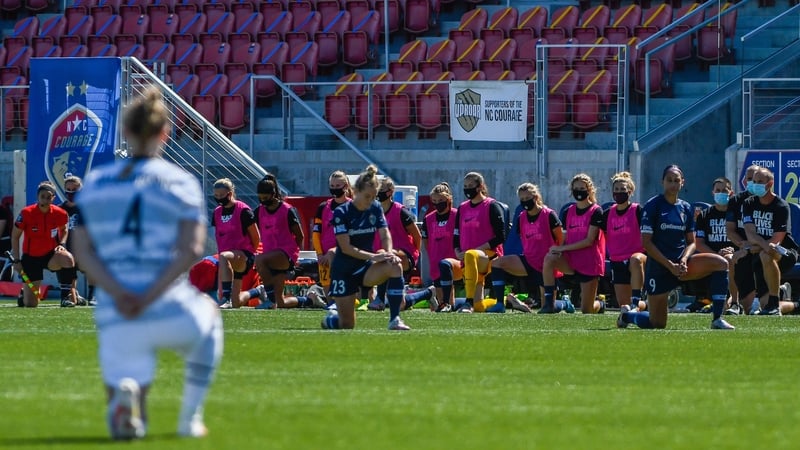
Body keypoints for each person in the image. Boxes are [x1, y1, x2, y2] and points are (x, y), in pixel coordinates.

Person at [70, 88, 223, 439]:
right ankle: (189, 419)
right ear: (164, 133)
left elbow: (82, 250)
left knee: (127, 364)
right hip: (165, 301)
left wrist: (119, 292)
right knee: (211, 318)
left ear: (125, 131)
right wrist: (150, 292)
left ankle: (128, 399)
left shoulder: (94, 183)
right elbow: (192, 249)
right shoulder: (180, 182)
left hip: (115, 306)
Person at [617, 165, 734, 330]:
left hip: (681, 265)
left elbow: (692, 242)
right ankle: (627, 315)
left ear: (682, 183)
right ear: (662, 182)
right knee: (657, 324)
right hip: (660, 267)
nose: (673, 184)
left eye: (676, 180)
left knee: (721, 263)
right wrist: (669, 265)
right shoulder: (653, 206)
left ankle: (717, 318)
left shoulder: (686, 208)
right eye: (669, 180)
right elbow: (646, 243)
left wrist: (684, 259)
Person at [321, 164, 410, 330]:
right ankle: (331, 321)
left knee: (395, 265)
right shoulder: (341, 212)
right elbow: (346, 248)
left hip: (365, 269)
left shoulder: (375, 208)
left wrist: (389, 252)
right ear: (355, 191)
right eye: (367, 196)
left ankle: (395, 319)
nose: (371, 200)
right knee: (347, 325)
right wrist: (373, 256)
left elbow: (385, 234)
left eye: (374, 196)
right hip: (344, 271)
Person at [488, 183, 562, 313]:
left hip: (546, 264)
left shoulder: (549, 214)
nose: (525, 201)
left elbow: (560, 239)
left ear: (535, 197)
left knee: (548, 307)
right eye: (522, 199)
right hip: (528, 260)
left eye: (528, 198)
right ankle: (500, 303)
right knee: (497, 263)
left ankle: (564, 304)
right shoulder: (522, 217)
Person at [254, 174, 324, 309]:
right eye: (260, 198)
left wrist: (295, 256)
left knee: (259, 260)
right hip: (270, 256)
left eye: (265, 198)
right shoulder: (259, 211)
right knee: (280, 303)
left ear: (273, 194)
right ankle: (310, 300)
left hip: (285, 254)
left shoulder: (287, 210)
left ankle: (270, 297)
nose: (262, 201)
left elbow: (300, 235)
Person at [541, 173, 606, 314]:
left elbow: (589, 241)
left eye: (582, 188)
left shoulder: (596, 211)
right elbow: (565, 234)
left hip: (589, 262)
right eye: (576, 188)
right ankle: (549, 303)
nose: (579, 191)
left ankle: (600, 304)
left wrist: (563, 248)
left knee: (586, 310)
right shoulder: (569, 210)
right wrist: (556, 247)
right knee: (549, 258)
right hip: (571, 261)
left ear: (589, 190)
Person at [369, 176, 434, 311]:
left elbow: (417, 235)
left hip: (403, 255)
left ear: (390, 192)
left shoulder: (400, 211)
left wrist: (414, 256)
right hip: (384, 258)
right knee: (400, 305)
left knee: (384, 254)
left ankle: (379, 298)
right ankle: (429, 293)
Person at [741, 167, 800, 315]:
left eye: (760, 181)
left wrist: (757, 246)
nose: (755, 184)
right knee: (763, 304)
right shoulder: (748, 203)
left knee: (767, 254)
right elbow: (750, 234)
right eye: (754, 181)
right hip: (762, 253)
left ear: (770, 183)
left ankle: (774, 303)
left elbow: (776, 240)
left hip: (784, 253)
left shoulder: (781, 206)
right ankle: (792, 302)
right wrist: (759, 245)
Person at [9, 181, 78, 307]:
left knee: (67, 258)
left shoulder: (60, 213)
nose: (45, 200)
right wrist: (17, 260)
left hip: (50, 255)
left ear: (53, 198)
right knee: (30, 304)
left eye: (48, 197)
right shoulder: (26, 213)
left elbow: (64, 229)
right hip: (31, 258)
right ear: (37, 197)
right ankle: (25, 293)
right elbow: (15, 236)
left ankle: (65, 297)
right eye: (42, 196)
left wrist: (61, 243)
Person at [451, 171, 506, 313]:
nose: (467, 188)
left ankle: (467, 302)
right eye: (465, 186)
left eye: (471, 185)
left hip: (488, 256)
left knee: (470, 254)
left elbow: (501, 236)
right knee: (479, 307)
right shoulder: (462, 208)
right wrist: (457, 251)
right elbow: (456, 234)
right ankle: (508, 300)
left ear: (480, 186)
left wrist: (479, 248)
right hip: (469, 259)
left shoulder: (492, 206)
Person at [210, 178, 260, 309]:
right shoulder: (217, 212)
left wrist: (249, 254)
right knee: (236, 303)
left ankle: (226, 298)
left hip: (243, 255)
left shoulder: (243, 210)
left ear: (230, 193)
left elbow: (256, 237)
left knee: (225, 256)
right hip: (228, 260)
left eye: (222, 195)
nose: (219, 198)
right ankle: (258, 291)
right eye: (216, 196)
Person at [602, 172, 646, 311]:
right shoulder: (607, 213)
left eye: (622, 190)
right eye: (616, 190)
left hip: (637, 258)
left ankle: (638, 299)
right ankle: (646, 305)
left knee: (635, 260)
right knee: (624, 306)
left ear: (630, 191)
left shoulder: (637, 210)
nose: (619, 193)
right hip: (617, 260)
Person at [695, 177, 738, 309]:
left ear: (731, 193)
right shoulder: (704, 215)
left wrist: (733, 250)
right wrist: (716, 255)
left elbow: (743, 238)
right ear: (713, 193)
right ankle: (704, 299)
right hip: (712, 255)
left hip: (735, 254)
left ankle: (735, 303)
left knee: (728, 259)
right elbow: (699, 244)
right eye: (718, 190)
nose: (721, 193)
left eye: (724, 190)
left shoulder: (737, 213)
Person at [725, 164, 760, 315]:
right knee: (730, 258)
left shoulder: (770, 201)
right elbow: (730, 230)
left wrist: (754, 246)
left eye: (756, 179)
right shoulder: (735, 201)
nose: (753, 182)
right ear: (744, 180)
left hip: (763, 248)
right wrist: (743, 245)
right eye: (750, 179)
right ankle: (734, 302)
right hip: (743, 248)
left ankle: (774, 295)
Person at [312, 170, 352, 298]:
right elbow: (316, 233)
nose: (334, 189)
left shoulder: (353, 207)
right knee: (330, 299)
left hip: (346, 252)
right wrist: (319, 254)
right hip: (324, 256)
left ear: (345, 187)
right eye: (332, 186)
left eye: (338, 186)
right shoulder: (323, 207)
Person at [420, 182, 458, 312]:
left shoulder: (456, 215)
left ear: (448, 199)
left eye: (441, 200)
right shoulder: (429, 218)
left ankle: (451, 305)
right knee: (440, 291)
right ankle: (438, 303)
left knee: (450, 287)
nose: (438, 203)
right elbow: (425, 239)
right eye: (435, 201)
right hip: (436, 258)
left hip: (453, 258)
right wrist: (432, 251)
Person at [59, 174, 96, 306]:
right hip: (67, 249)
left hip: (84, 248)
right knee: (66, 263)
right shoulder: (60, 209)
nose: (71, 192)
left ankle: (93, 295)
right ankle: (71, 295)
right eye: (68, 189)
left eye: (74, 189)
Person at [188, 253, 271, 308]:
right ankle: (258, 291)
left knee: (229, 302)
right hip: (224, 264)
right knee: (231, 302)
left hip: (223, 266)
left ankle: (259, 291)